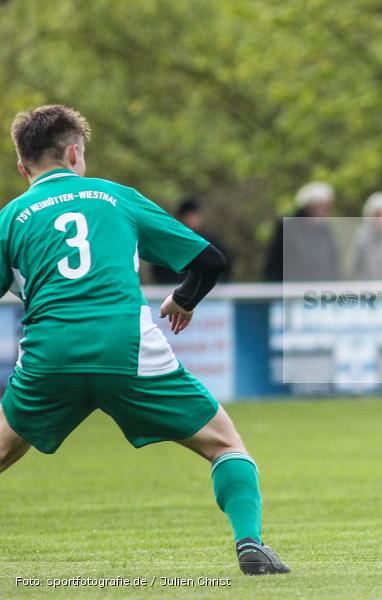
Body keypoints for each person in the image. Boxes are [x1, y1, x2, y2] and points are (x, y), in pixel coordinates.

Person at [0, 105, 289, 575]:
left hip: (50, 355)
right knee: (225, 444)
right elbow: (209, 261)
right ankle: (250, 542)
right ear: (75, 153)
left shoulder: (11, 218)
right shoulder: (117, 198)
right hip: (127, 349)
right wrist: (184, 299)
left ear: (21, 166)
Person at [263, 181, 341, 282]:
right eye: (322, 207)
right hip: (291, 288)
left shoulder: (325, 229)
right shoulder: (287, 227)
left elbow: (332, 262)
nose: (325, 212)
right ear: (310, 206)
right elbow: (274, 262)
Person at [151, 197, 233, 283]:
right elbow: (160, 270)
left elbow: (223, 263)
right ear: (181, 218)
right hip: (175, 291)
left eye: (195, 216)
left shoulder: (210, 241)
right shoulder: (170, 243)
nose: (193, 220)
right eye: (189, 216)